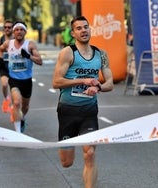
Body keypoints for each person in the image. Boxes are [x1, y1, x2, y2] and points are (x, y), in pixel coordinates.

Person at [52, 16, 114, 188]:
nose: (83, 30)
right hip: (67, 111)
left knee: (90, 154)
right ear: (73, 33)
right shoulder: (67, 53)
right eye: (78, 28)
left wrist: (99, 87)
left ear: (90, 29)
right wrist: (83, 81)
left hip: (89, 112)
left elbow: (110, 83)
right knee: (66, 162)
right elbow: (56, 82)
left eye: (85, 27)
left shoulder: (101, 55)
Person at [0, 21, 43, 133]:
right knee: (16, 103)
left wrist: (28, 56)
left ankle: (22, 118)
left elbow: (40, 61)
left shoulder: (30, 45)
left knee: (25, 107)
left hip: (27, 80)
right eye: (16, 29)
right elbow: (0, 50)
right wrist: (1, 60)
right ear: (13, 32)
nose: (19, 32)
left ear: (25, 32)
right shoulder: (8, 43)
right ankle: (18, 133)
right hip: (14, 79)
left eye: (21, 30)